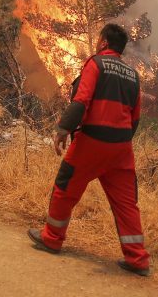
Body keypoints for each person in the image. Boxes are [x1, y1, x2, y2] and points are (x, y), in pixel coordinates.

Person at [27, 23, 150, 276]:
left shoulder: (96, 64)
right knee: (127, 203)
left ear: (104, 42)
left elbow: (81, 101)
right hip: (122, 148)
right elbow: (135, 118)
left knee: (65, 185)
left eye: (99, 40)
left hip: (92, 141)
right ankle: (138, 259)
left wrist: (63, 129)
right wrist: (120, 142)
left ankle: (52, 237)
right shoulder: (133, 75)